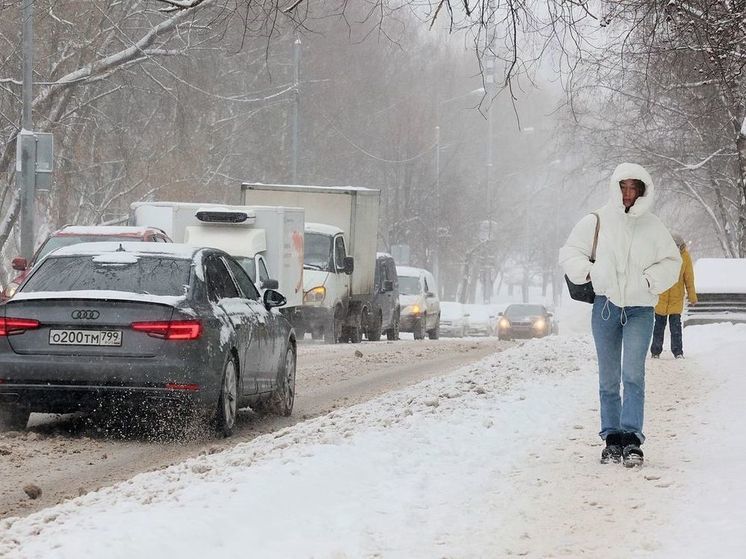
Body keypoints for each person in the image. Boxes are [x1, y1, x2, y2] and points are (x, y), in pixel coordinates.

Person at [559, 163, 681, 467]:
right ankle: (611, 439)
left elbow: (672, 261)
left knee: (633, 375)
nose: (628, 193)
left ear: (642, 191)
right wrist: (591, 273)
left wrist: (650, 280)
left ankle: (632, 439)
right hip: (605, 308)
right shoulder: (596, 221)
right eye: (623, 187)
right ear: (616, 188)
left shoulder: (653, 226)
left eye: (634, 188)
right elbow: (569, 253)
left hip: (640, 310)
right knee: (609, 378)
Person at [650, 234, 697, 359]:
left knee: (675, 327)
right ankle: (655, 351)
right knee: (659, 326)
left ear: (680, 246)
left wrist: (692, 296)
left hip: (676, 298)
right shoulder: (660, 255)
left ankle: (678, 352)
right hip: (661, 297)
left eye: (677, 245)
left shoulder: (685, 257)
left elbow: (689, 278)